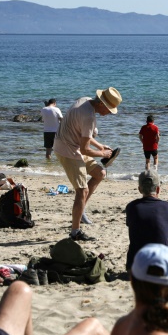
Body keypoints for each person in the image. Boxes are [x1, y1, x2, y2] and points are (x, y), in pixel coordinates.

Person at [54, 87, 122, 242]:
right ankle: (75, 232)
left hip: (72, 145)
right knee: (82, 191)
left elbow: (83, 133)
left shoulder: (84, 100)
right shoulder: (89, 117)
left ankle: (81, 210)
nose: (110, 113)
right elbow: (85, 150)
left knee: (100, 173)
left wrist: (100, 146)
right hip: (67, 150)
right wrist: (103, 154)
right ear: (102, 104)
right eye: (110, 110)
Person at [125, 169, 168, 272]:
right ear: (158, 189)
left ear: (139, 189)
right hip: (160, 268)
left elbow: (131, 225)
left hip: (134, 268)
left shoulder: (131, 207)